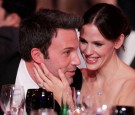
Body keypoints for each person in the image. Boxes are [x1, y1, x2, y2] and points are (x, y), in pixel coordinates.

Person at [34, 3, 135, 114]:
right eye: (83, 41)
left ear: (118, 41)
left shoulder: (131, 85)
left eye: (97, 44)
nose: (88, 51)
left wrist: (66, 104)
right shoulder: (76, 77)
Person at [15, 9, 83, 114]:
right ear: (37, 55)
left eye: (76, 51)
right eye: (67, 52)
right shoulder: (4, 70)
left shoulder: (75, 79)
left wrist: (67, 104)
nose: (77, 61)